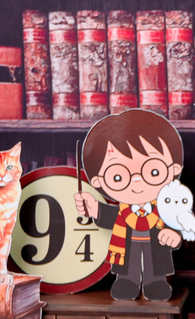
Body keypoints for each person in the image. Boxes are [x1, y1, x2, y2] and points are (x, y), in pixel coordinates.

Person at [74, 109, 184, 301]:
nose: (137, 181)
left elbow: (175, 222)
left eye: (154, 172)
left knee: (154, 265)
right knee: (129, 265)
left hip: (155, 244)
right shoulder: (122, 212)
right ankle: (128, 282)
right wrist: (95, 208)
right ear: (98, 181)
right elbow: (111, 216)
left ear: (174, 170)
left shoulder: (166, 209)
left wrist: (174, 235)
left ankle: (155, 283)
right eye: (118, 177)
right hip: (127, 242)